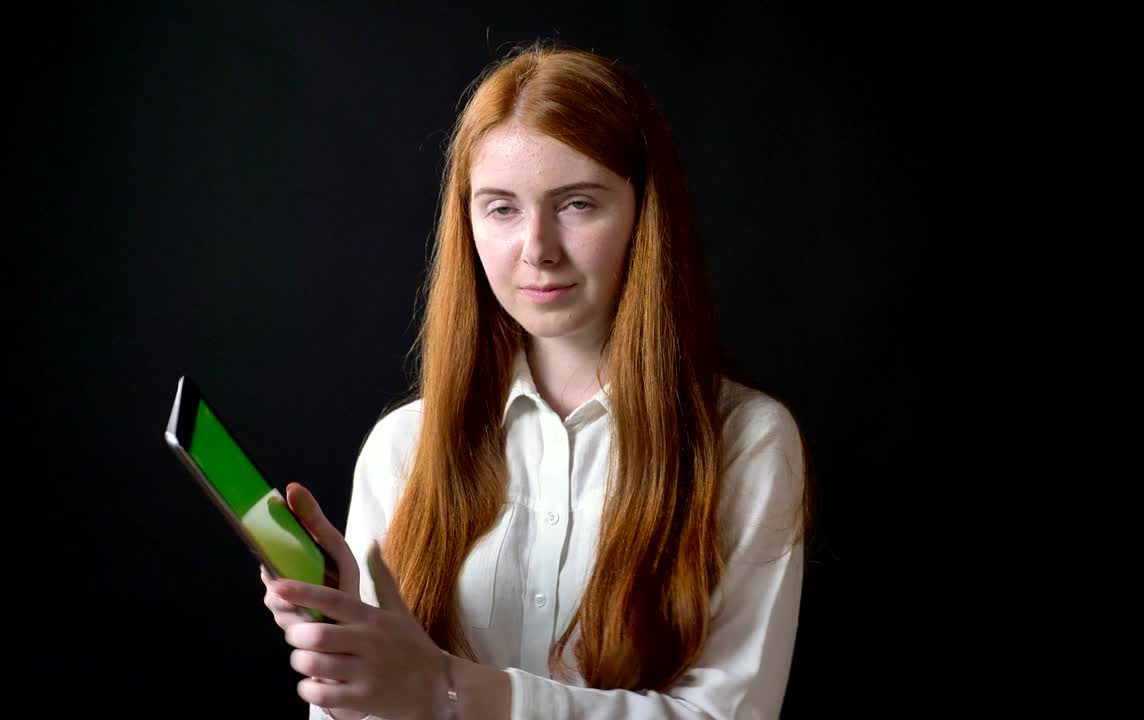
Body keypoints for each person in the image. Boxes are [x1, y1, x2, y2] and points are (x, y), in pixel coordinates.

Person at [261, 41, 812, 719]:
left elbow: (729, 715)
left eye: (578, 204)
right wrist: (354, 670)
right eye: (501, 208)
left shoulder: (745, 442)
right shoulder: (403, 447)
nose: (538, 249)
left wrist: (447, 686)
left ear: (646, 214)